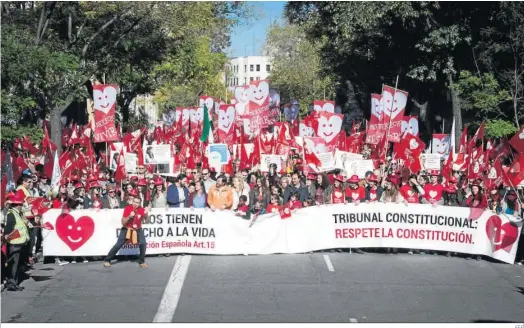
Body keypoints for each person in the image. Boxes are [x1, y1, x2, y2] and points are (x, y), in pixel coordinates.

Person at [103, 190, 151, 268]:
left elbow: (147, 221)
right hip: (127, 229)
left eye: (137, 202)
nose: (135, 204)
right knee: (118, 244)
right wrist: (129, 216)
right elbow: (123, 222)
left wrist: (146, 214)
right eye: (134, 202)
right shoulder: (127, 208)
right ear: (132, 201)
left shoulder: (141, 210)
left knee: (143, 243)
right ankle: (107, 260)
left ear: (140, 203)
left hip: (137, 229)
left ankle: (141, 261)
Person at [3, 194, 29, 291]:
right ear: (18, 204)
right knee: (13, 265)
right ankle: (11, 284)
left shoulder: (17, 213)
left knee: (16, 264)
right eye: (21, 204)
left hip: (18, 242)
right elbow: (9, 228)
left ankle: (14, 282)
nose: (22, 206)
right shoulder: (12, 213)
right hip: (14, 243)